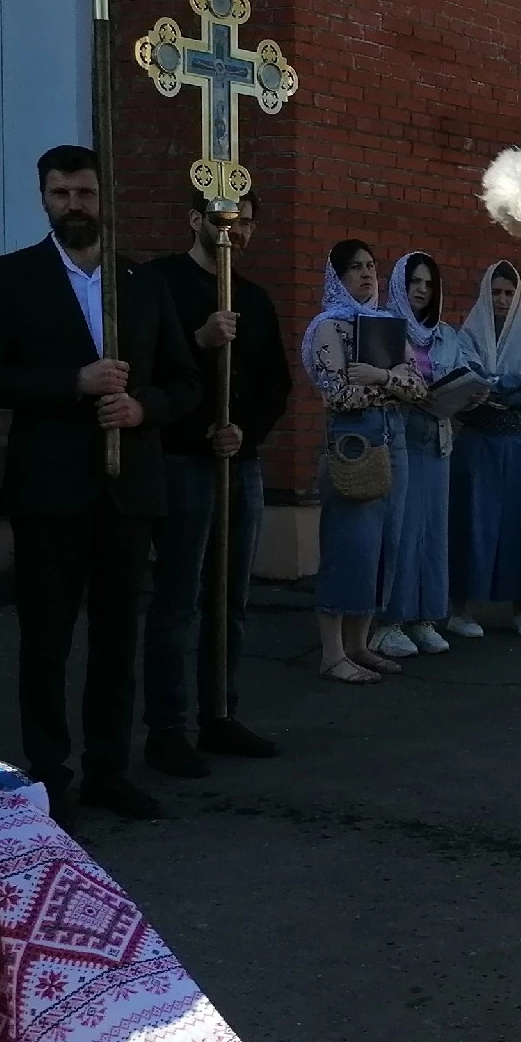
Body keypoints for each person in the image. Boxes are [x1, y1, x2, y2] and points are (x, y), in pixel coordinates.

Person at [0, 144, 200, 820]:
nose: (74, 206)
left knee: (118, 635)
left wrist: (142, 406)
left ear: (104, 196)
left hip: (128, 491)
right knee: (46, 638)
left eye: (85, 194)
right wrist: (73, 383)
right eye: (61, 194)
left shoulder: (142, 283)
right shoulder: (12, 278)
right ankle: (47, 774)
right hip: (50, 488)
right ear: (43, 198)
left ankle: (108, 768)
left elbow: (185, 382)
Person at [138, 191, 292, 774]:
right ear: (195, 219)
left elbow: (274, 384)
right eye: (227, 222)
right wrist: (199, 340)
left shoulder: (253, 298)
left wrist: (244, 434)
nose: (238, 234)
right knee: (178, 596)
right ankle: (167, 728)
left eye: (248, 223)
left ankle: (220, 713)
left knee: (231, 598)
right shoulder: (161, 284)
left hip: (237, 462)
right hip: (179, 460)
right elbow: (144, 365)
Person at [303, 238, 423, 683]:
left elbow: (418, 389)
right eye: (355, 267)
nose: (367, 273)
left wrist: (379, 375)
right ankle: (332, 653)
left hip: (394, 444)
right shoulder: (327, 328)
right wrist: (394, 382)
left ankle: (360, 644)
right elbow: (340, 395)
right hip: (353, 445)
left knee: (384, 545)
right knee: (349, 545)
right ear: (338, 275)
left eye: (372, 265)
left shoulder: (386, 325)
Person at [445, 260, 521, 635]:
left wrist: (501, 388)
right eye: (496, 292)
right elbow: (470, 384)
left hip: (519, 445)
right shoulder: (469, 335)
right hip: (478, 447)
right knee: (473, 523)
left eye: (510, 293)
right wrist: (511, 388)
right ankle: (461, 611)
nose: (503, 300)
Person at [371, 251, 457, 656]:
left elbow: (458, 375)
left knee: (432, 533)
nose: (422, 290)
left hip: (436, 440)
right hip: (399, 438)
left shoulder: (445, 334)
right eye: (414, 283)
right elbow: (381, 385)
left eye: (428, 284)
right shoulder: (386, 329)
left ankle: (425, 617)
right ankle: (389, 622)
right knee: (401, 533)